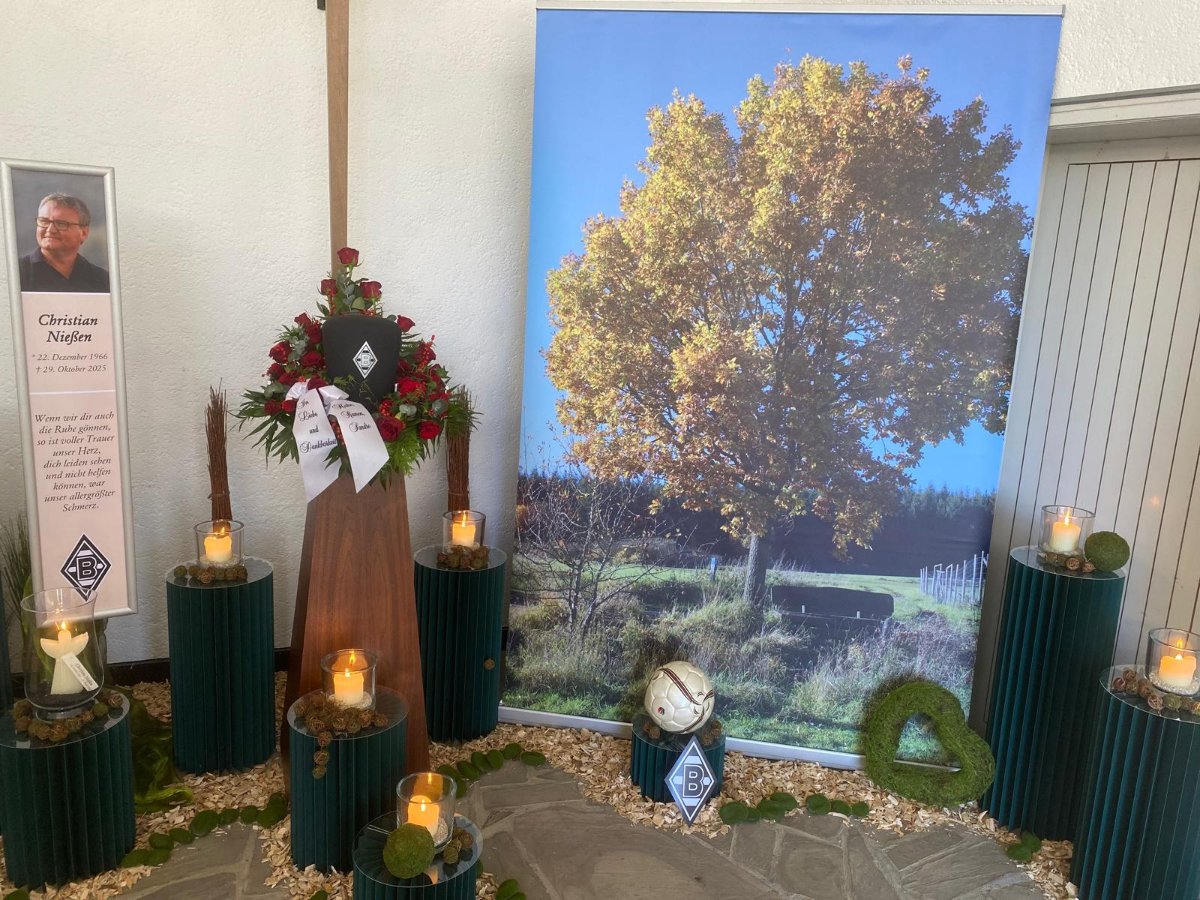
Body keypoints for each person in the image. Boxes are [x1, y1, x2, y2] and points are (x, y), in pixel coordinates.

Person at [18, 192, 110, 292]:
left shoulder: (102, 280)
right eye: (44, 221)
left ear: (83, 233)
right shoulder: (16, 273)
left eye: (61, 224)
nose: (50, 230)